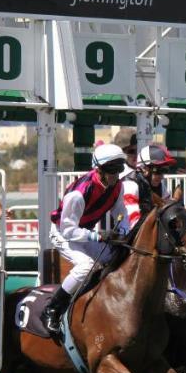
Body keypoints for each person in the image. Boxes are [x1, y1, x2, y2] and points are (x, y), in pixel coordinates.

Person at [42, 144, 130, 337]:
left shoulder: (117, 186)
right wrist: (99, 236)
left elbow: (121, 212)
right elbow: (68, 231)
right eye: (112, 170)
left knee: (118, 255)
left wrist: (123, 233)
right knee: (86, 265)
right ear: (99, 169)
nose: (116, 175)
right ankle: (52, 309)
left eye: (119, 169)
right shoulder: (79, 194)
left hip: (84, 232)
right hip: (62, 233)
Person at [121, 144, 176, 231]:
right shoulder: (130, 184)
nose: (161, 176)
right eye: (158, 171)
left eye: (164, 171)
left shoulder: (161, 186)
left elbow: (170, 210)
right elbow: (134, 223)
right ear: (144, 169)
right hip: (125, 235)